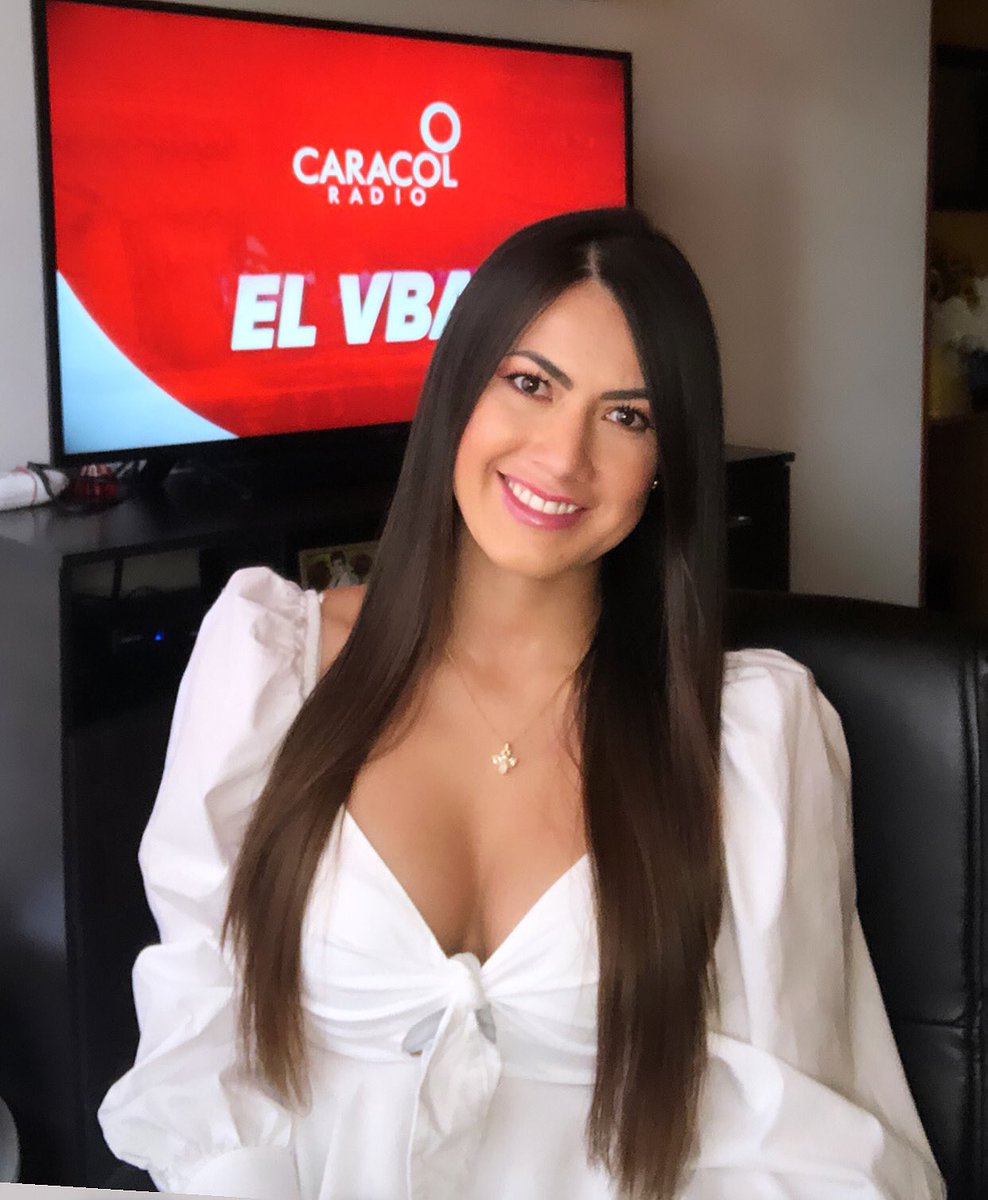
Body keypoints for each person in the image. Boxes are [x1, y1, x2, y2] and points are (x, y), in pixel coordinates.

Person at [98, 208, 945, 1200]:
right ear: (459, 387)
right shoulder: (267, 667)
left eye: (627, 417)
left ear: (665, 462)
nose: (562, 456)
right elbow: (204, 1018)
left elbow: (796, 1134)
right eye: (531, 384)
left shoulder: (746, 738)